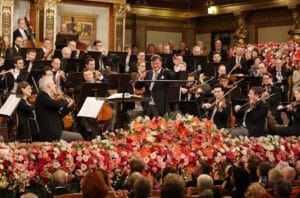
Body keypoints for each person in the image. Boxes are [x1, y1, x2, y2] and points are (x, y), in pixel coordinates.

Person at [35, 75, 83, 141]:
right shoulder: (42, 96)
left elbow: (59, 115)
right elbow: (56, 105)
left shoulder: (47, 97)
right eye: (53, 83)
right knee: (78, 137)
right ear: (49, 85)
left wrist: (69, 107)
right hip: (51, 133)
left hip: (56, 131)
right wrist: (66, 100)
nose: (55, 85)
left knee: (78, 136)